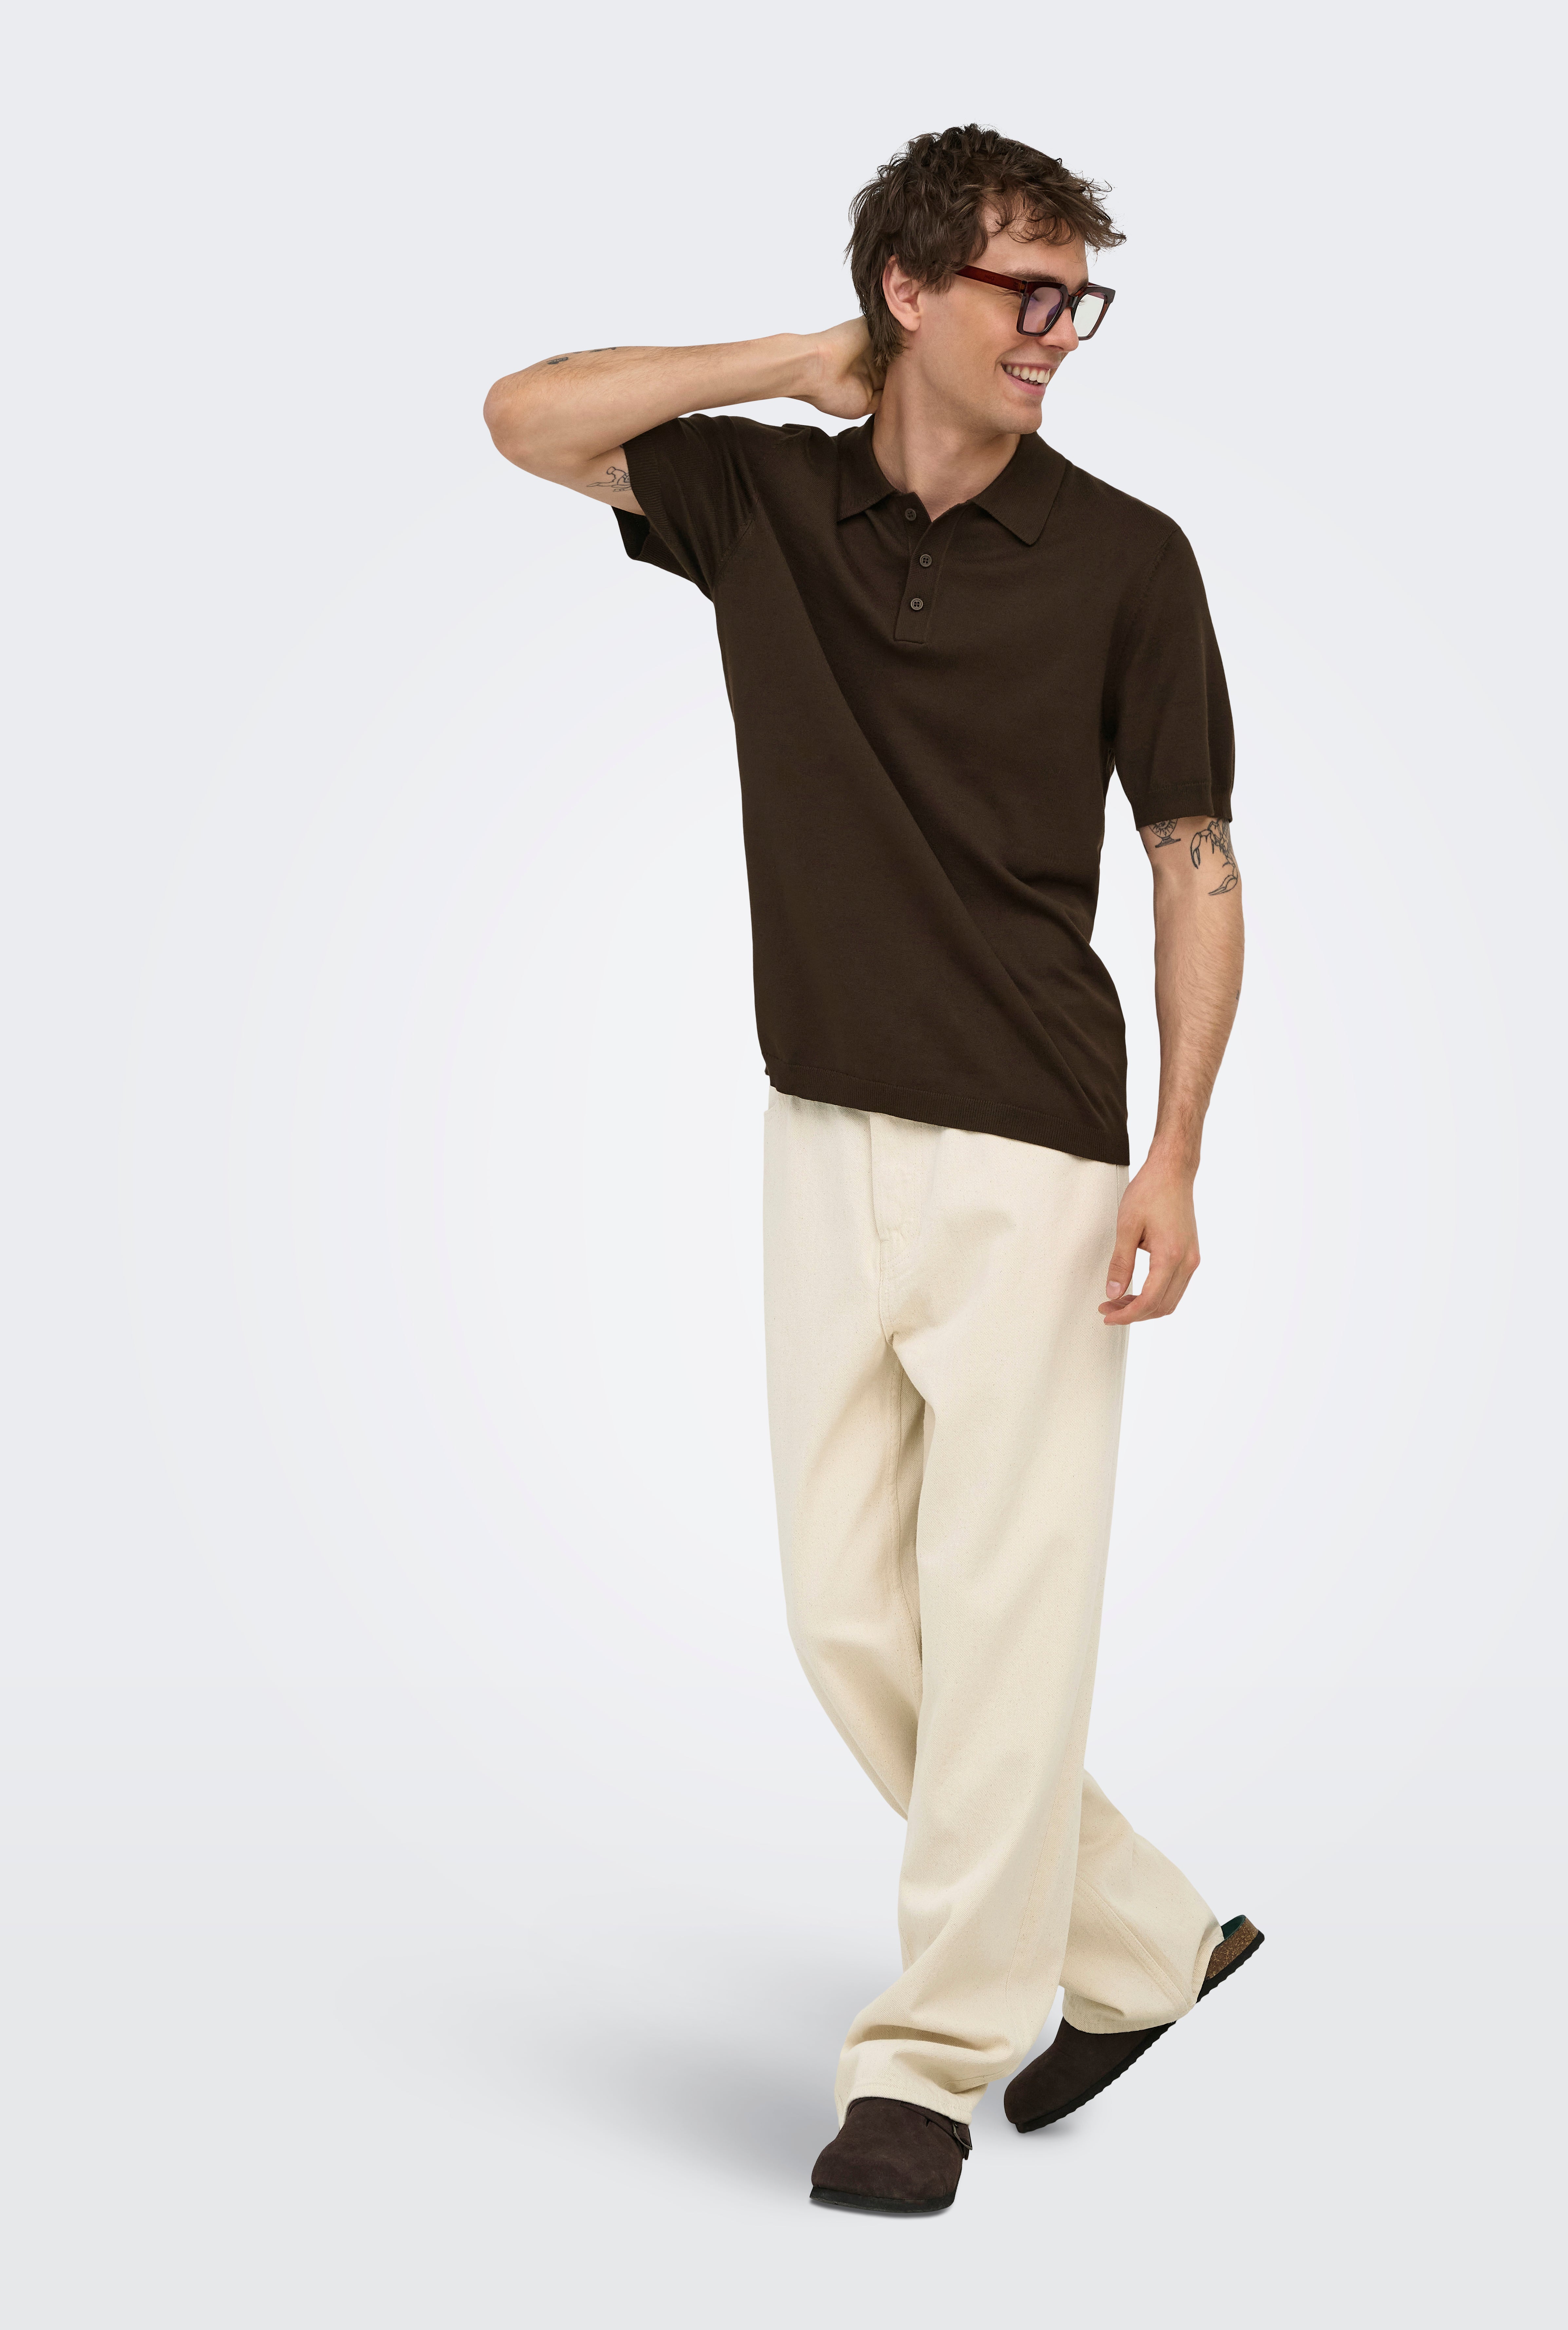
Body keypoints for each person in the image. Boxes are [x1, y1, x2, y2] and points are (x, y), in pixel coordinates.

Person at [483, 122, 1262, 2217]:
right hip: (818, 1121)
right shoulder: (765, 503)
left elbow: (1193, 860)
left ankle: (926, 2061)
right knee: (849, 1615)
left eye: (1078, 297)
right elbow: (526, 419)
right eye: (1024, 288)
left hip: (1034, 1142)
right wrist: (795, 360)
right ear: (908, 290)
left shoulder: (1127, 557)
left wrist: (1176, 1153)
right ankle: (1144, 1942)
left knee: (1003, 1617)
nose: (1059, 331)